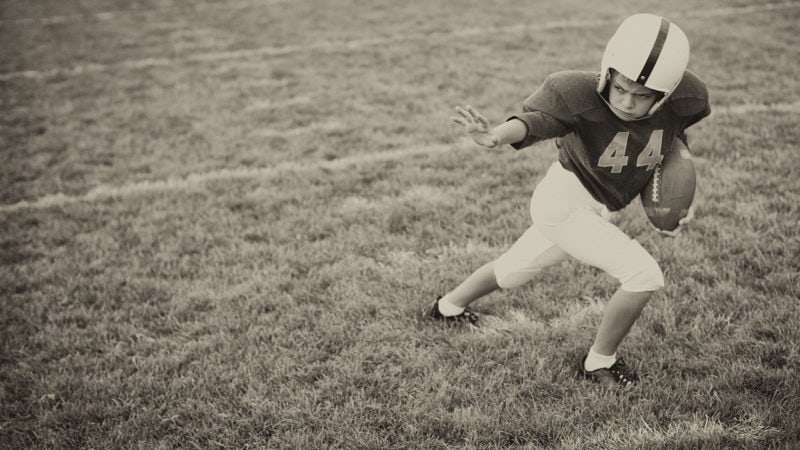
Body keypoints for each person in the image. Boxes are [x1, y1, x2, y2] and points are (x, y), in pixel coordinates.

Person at [429, 13, 711, 387]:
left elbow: (668, 145)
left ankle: (446, 307)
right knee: (643, 275)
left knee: (514, 269)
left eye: (643, 97)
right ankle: (598, 363)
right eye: (621, 88)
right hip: (564, 202)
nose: (628, 102)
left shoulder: (685, 101)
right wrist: (496, 135)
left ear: (666, 94)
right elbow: (536, 121)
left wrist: (677, 201)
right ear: (607, 72)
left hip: (593, 207)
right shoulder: (576, 93)